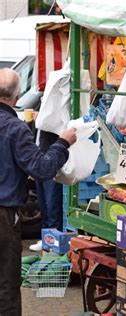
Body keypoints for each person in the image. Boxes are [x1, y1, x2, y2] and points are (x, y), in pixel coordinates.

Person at [0, 68, 77, 315]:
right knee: (6, 286)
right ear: (18, 95)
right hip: (3, 216)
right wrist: (63, 142)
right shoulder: (14, 128)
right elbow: (42, 169)